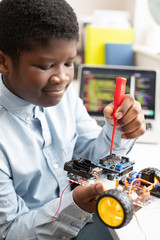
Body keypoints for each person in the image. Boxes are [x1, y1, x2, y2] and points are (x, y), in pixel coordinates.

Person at [0, 0, 146, 239]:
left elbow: (91, 159)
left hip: (79, 217)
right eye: (46, 66)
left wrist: (118, 131)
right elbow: (9, 232)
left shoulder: (64, 99)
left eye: (69, 63)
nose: (62, 78)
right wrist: (74, 205)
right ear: (4, 62)